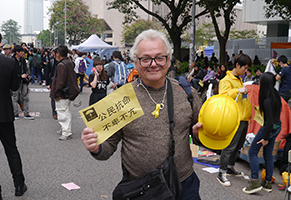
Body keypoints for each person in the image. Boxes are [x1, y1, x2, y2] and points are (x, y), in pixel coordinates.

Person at [81, 29, 202, 199]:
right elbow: (108, 146)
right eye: (145, 59)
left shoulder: (187, 93)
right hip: (141, 189)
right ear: (135, 63)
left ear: (168, 61)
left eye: (160, 58)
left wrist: (200, 136)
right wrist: (96, 147)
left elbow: (200, 133)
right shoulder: (122, 98)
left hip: (184, 185)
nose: (153, 64)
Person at [242, 72, 282, 194]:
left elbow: (269, 122)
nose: (258, 82)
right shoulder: (275, 94)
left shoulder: (267, 100)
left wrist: (265, 138)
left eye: (260, 80)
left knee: (252, 152)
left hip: (269, 129)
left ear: (264, 83)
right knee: (268, 155)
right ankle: (267, 183)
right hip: (277, 127)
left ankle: (254, 181)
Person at [217, 54, 252, 187]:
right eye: (245, 68)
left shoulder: (238, 79)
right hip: (234, 118)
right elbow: (222, 96)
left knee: (238, 145)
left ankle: (230, 167)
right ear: (237, 65)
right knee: (230, 145)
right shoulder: (226, 80)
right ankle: (221, 172)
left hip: (243, 118)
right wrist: (237, 90)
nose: (246, 71)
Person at [0, 33, 27, 198]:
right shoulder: (9, 62)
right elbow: (15, 86)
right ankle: (19, 185)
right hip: (4, 112)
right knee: (11, 150)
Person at [50, 45, 80, 141]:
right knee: (66, 110)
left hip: (62, 93)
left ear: (58, 54)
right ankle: (65, 129)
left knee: (62, 111)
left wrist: (56, 93)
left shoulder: (61, 65)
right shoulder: (69, 62)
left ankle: (66, 132)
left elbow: (60, 81)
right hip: (68, 91)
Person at [12, 45, 34, 120]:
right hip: (16, 81)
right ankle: (15, 113)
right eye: (21, 52)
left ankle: (26, 113)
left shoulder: (23, 60)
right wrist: (20, 76)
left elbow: (25, 69)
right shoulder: (12, 60)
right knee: (15, 97)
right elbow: (12, 73)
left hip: (24, 81)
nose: (23, 53)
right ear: (17, 52)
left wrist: (27, 76)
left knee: (26, 97)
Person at [45, 49, 58, 119]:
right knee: (53, 97)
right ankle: (54, 112)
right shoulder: (51, 61)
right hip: (52, 81)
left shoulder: (63, 62)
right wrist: (47, 83)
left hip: (60, 82)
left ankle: (59, 111)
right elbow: (47, 72)